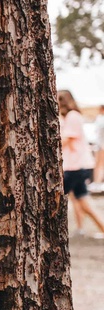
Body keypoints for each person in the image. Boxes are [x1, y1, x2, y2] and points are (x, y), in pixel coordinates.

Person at [59, 89, 104, 238]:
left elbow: (66, 139)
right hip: (75, 164)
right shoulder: (70, 116)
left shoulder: (73, 116)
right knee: (82, 200)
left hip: (75, 165)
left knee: (56, 197)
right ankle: (92, 227)